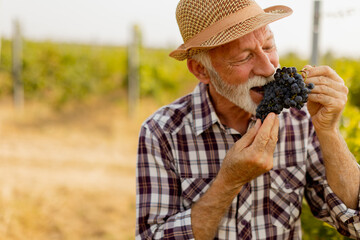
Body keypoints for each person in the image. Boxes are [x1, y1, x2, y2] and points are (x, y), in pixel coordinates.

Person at [136, 0, 360, 239]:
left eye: (268, 46)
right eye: (244, 57)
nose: (268, 68)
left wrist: (329, 132)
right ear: (201, 70)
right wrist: (228, 183)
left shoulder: (300, 118)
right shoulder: (161, 133)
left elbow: (354, 225)